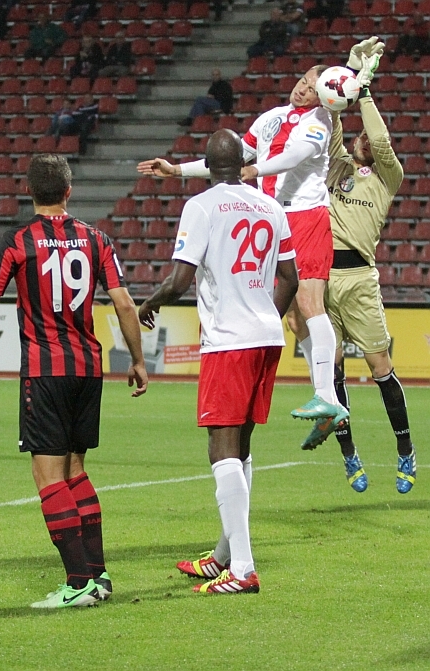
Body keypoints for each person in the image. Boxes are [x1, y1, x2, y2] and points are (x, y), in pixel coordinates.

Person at [138, 42, 383, 449]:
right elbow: (230, 158)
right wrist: (177, 169)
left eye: (312, 86)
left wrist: (254, 169)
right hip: (274, 217)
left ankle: (327, 395)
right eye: (302, 81)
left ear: (325, 95)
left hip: (305, 215)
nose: (302, 89)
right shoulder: (272, 118)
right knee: (295, 321)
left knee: (310, 303)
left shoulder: (320, 121)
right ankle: (327, 400)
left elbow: (293, 157)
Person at [0, 154, 148, 608]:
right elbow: (125, 304)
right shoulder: (97, 239)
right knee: (76, 470)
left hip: (45, 369)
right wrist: (137, 360)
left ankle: (77, 583)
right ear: (68, 191)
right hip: (88, 368)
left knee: (48, 475)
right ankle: (98, 574)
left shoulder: (19, 240)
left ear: (31, 193)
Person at [138, 129, 300, 595]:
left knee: (221, 448)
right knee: (241, 446)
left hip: (229, 341)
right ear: (243, 164)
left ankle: (244, 569)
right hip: (266, 338)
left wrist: (150, 302)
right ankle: (225, 556)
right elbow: (290, 278)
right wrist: (263, 316)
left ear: (208, 167)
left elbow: (179, 280)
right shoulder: (270, 206)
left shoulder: (202, 206)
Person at [317, 58, 415, 494]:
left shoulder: (388, 177)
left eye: (370, 140)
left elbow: (380, 139)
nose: (365, 140)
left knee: (380, 368)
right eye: (360, 137)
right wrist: (342, 92)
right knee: (333, 369)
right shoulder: (338, 167)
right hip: (323, 280)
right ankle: (348, 454)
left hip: (359, 280)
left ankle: (405, 450)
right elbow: (333, 130)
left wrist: (366, 91)